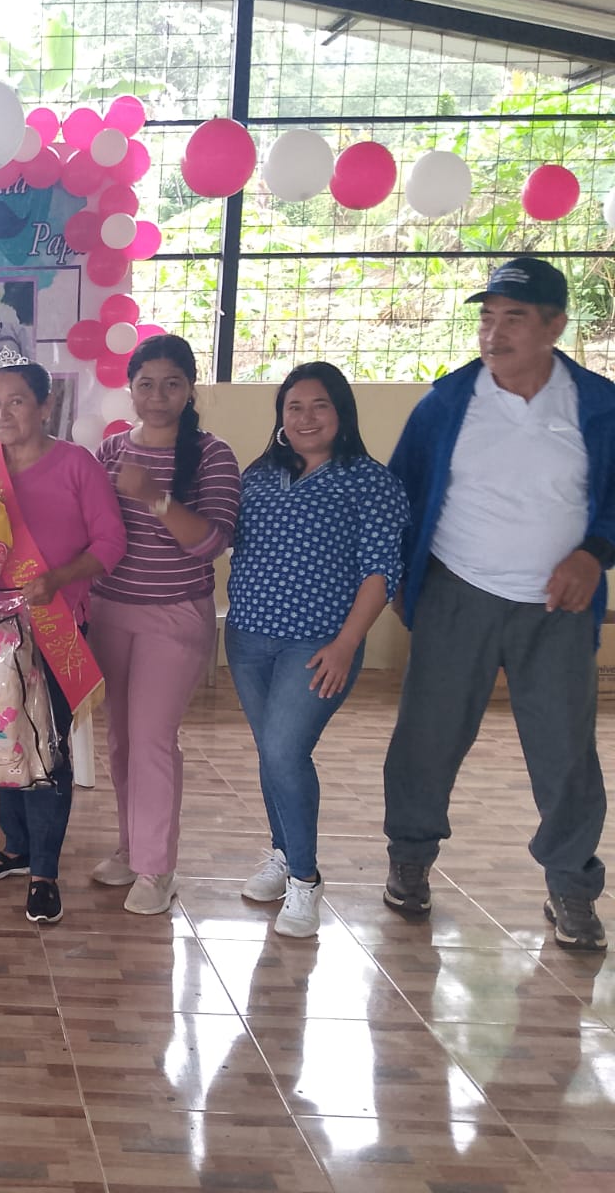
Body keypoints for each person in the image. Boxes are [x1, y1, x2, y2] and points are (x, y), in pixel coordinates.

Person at [383, 257, 615, 951]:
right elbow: (401, 492)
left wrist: (593, 554)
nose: (495, 332)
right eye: (487, 317)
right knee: (427, 738)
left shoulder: (598, 406)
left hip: (557, 608)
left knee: (565, 751)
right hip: (458, 593)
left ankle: (571, 886)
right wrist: (398, 580)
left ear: (555, 326)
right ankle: (410, 858)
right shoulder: (447, 403)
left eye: (514, 317)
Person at [0, 352, 127, 924]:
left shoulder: (76, 465)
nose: (2, 413)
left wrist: (59, 578)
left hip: (54, 625)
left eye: (16, 401)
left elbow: (111, 543)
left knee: (46, 747)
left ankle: (44, 871)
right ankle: (16, 848)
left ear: (45, 406)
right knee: (2, 740)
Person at [227, 361, 408, 938]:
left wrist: (347, 643)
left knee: (285, 752)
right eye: (294, 407)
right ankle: (283, 854)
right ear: (281, 417)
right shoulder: (260, 475)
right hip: (248, 637)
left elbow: (381, 572)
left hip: (319, 644)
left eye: (319, 406)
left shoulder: (371, 482)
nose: (306, 418)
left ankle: (305, 880)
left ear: (342, 413)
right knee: (270, 753)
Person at [91, 335, 241, 914]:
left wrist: (154, 497)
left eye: (171, 384)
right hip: (110, 611)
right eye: (146, 384)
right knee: (121, 738)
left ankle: (157, 868)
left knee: (153, 739)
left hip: (174, 616)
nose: (157, 396)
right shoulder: (110, 451)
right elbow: (89, 531)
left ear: (190, 390)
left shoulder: (212, 454)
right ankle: (132, 848)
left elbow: (211, 543)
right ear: (130, 389)